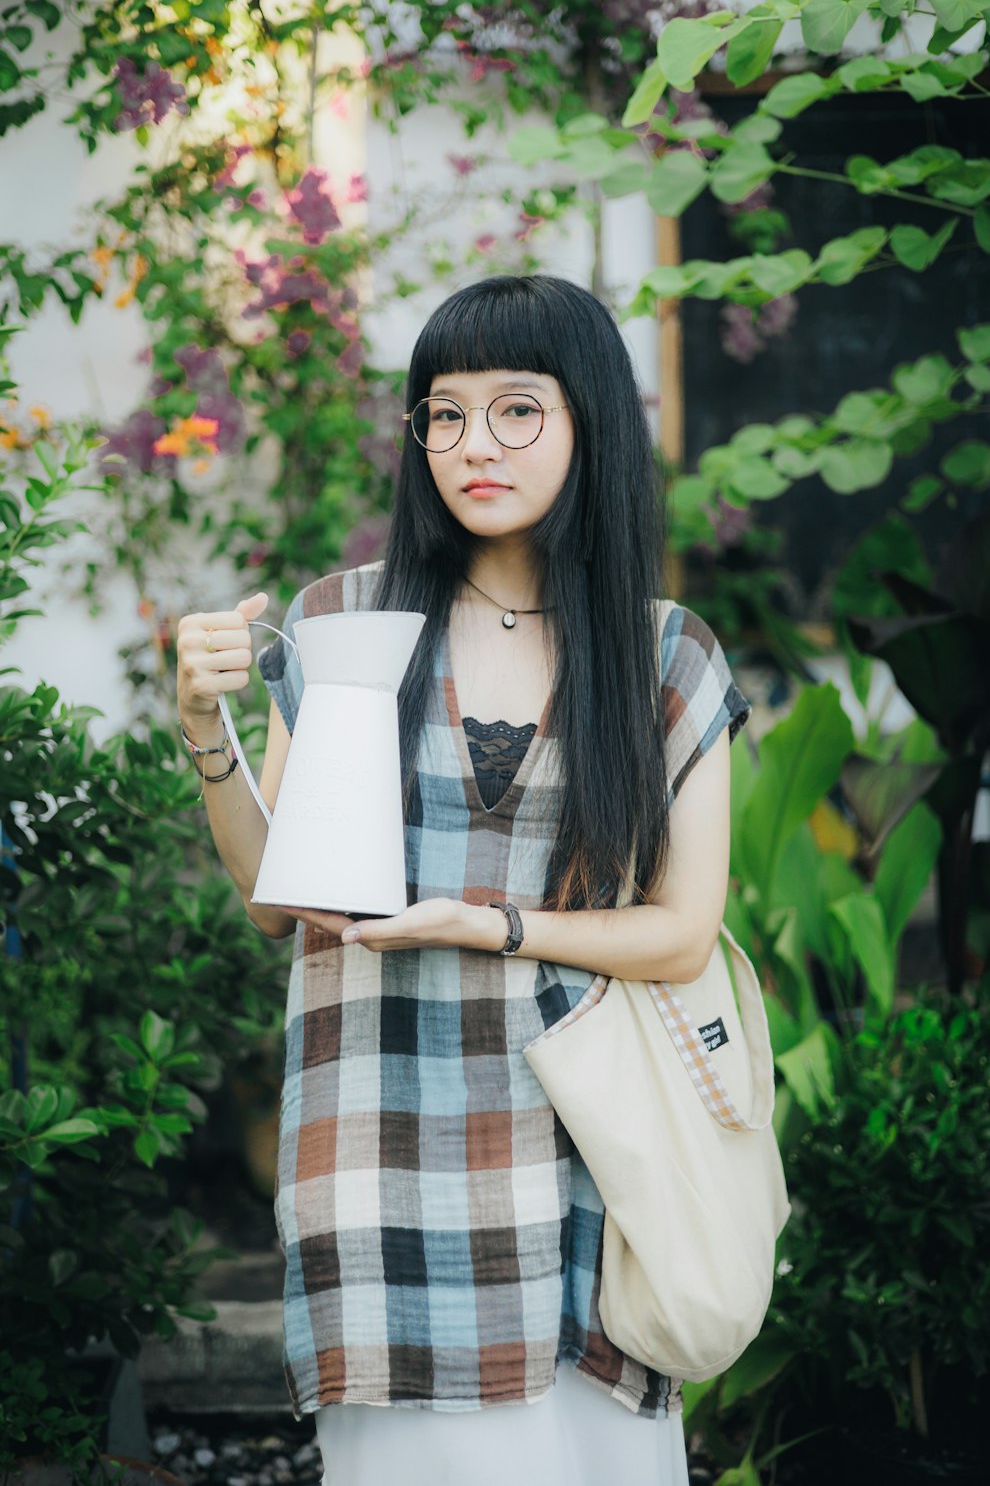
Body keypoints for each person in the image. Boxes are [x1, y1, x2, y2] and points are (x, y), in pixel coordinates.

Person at [175, 274, 750, 1486]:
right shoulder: (346, 622)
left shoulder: (663, 653)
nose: (470, 444)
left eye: (514, 410)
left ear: (589, 418)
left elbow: (683, 933)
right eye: (442, 413)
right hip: (376, 1154)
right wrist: (202, 726)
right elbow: (274, 895)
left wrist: (489, 924)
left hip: (584, 1156)